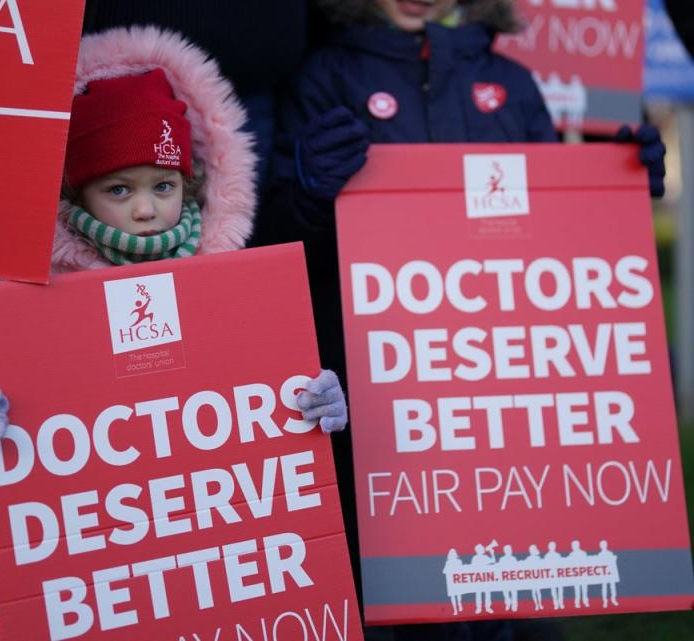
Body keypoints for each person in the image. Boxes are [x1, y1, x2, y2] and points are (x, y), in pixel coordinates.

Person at [255, 1, 665, 639]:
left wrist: (616, 185)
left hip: (502, 405)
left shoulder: (515, 81)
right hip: (383, 402)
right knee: (400, 598)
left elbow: (559, 249)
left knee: (520, 597)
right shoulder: (324, 75)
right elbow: (279, 252)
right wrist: (305, 191)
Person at [0, 26, 350, 641]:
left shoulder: (230, 280)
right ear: (75, 192)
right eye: (118, 190)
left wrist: (315, 403)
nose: (145, 210)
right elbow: (6, 392)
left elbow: (263, 384)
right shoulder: (34, 288)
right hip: (79, 548)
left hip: (203, 539)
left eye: (162, 186)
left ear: (191, 183)